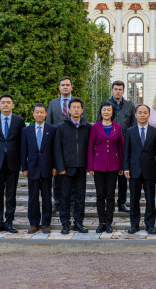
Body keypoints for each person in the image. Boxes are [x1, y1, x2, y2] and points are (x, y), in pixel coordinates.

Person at [0, 94, 25, 234]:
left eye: (8, 102)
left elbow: (21, 141)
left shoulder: (19, 120)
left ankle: (9, 222)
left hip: (13, 162)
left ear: (13, 105)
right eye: (3, 102)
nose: (6, 105)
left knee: (11, 194)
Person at [47, 76, 87, 214]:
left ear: (71, 87)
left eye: (67, 85)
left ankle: (72, 203)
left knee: (73, 177)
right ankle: (57, 202)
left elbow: (83, 122)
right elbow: (49, 123)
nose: (65, 87)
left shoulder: (78, 103)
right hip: (57, 143)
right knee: (57, 174)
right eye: (62, 85)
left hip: (74, 145)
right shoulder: (53, 104)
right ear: (59, 87)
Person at [97, 80, 136, 214]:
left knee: (123, 176)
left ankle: (121, 202)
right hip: (109, 146)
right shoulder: (105, 104)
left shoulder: (130, 106)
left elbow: (133, 126)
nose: (118, 91)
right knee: (108, 176)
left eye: (120, 89)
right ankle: (109, 202)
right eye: (115, 89)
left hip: (125, 145)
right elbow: (98, 123)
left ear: (123, 91)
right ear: (112, 90)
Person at [54, 97, 91, 234]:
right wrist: (60, 167)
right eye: (73, 107)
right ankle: (65, 224)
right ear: (69, 110)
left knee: (80, 197)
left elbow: (90, 148)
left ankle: (78, 222)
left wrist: (88, 165)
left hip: (81, 168)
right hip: (66, 169)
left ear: (82, 110)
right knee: (65, 197)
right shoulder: (61, 127)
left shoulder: (87, 127)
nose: (76, 110)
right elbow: (57, 149)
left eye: (78, 107)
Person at [124, 104, 156, 235]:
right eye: (140, 112)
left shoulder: (155, 132)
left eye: (145, 112)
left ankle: (150, 225)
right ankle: (134, 225)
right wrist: (126, 168)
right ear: (135, 115)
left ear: (149, 115)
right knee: (134, 199)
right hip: (134, 170)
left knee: (150, 199)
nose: (142, 115)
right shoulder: (130, 131)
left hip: (150, 171)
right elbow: (126, 151)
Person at [88, 100, 124, 233]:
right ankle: (101, 222)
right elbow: (90, 148)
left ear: (113, 112)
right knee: (100, 195)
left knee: (110, 195)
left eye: (109, 109)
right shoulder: (95, 127)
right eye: (104, 109)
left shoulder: (117, 127)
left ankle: (108, 222)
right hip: (98, 166)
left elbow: (121, 148)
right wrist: (90, 167)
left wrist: (121, 166)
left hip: (113, 166)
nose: (106, 112)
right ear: (101, 111)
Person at [20, 104, 56, 234]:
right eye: (37, 112)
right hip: (32, 168)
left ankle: (46, 223)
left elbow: (55, 150)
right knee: (33, 197)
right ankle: (34, 223)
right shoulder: (26, 130)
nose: (39, 114)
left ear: (46, 114)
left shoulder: (52, 129)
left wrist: (54, 166)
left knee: (47, 197)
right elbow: (23, 150)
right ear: (33, 113)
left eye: (42, 112)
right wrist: (24, 167)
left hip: (47, 168)